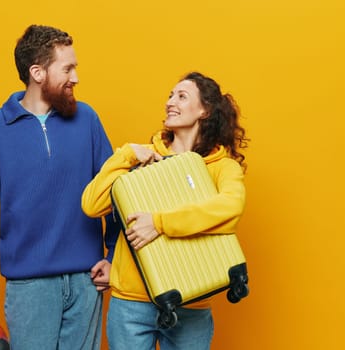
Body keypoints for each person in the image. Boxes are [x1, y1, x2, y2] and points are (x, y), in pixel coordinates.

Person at [0, 24, 118, 350]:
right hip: (29, 288)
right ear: (37, 72)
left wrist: (114, 256)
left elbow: (113, 191)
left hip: (86, 283)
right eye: (67, 68)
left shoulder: (87, 119)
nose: (76, 77)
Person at [81, 71, 249, 350]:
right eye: (170, 95)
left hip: (191, 302)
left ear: (204, 110)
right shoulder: (142, 157)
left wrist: (159, 223)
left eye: (181, 96)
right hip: (131, 304)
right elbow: (92, 204)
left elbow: (230, 207)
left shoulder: (221, 167)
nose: (170, 102)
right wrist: (127, 155)